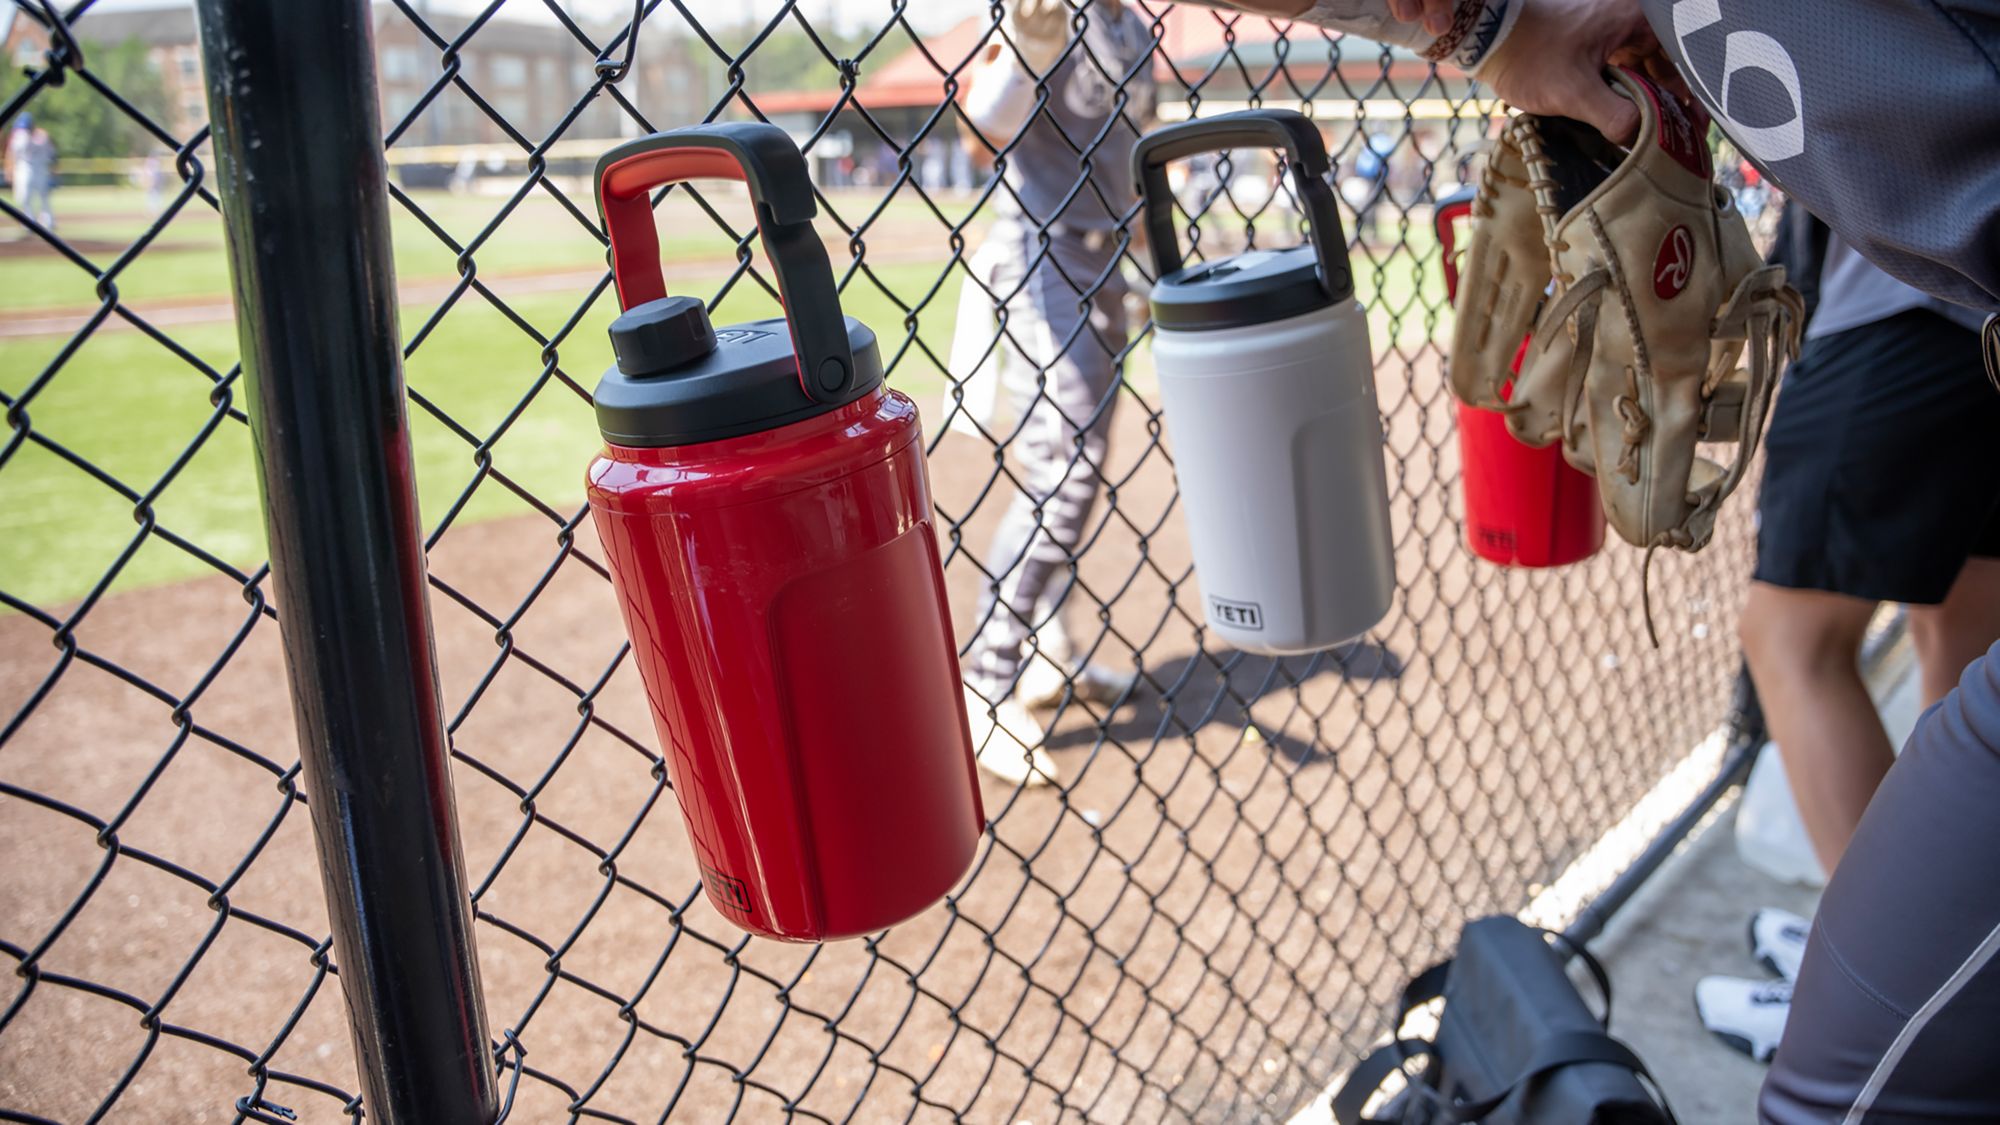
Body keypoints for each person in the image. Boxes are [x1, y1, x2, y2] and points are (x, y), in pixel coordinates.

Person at [1168, 0, 2000, 1118]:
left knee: (1839, 1082)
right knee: (1956, 616)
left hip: (1900, 315)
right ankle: (1915, 936)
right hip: (1963, 299)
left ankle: (1884, 966)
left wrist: (1492, 26)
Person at [1691, 203, 2000, 1062]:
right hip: (1976, 293)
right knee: (1966, 643)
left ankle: (1876, 997)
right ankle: (1953, 979)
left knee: (1791, 640)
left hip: (1912, 292)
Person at [952, 0, 1156, 787]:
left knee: (1085, 464)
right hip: (1045, 251)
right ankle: (986, 680)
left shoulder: (1132, 26)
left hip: (1109, 256)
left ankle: (1049, 649)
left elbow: (1132, 155)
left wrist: (1156, 260)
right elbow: (979, 138)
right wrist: (1026, 56)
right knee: (1064, 472)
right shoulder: (1036, 9)